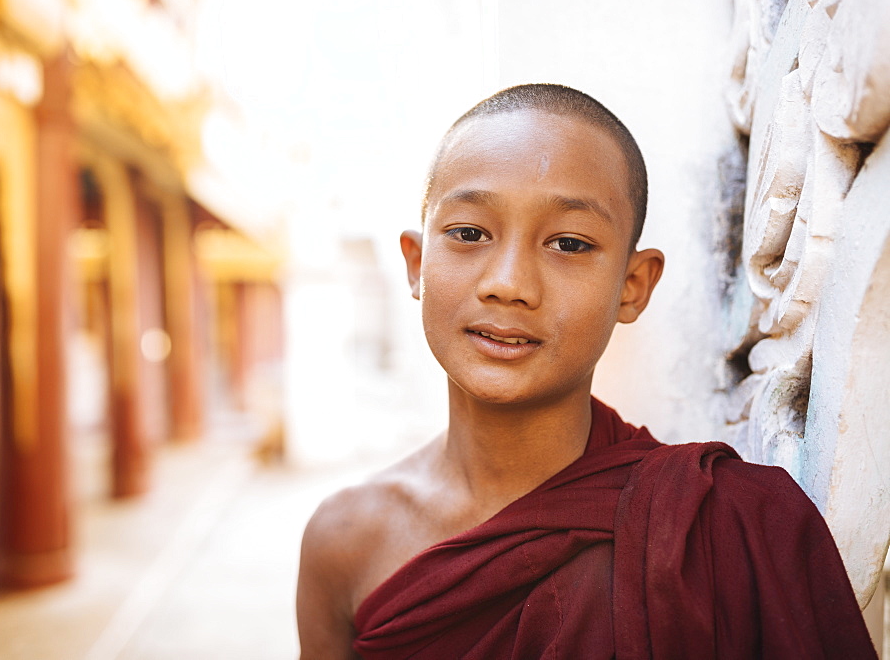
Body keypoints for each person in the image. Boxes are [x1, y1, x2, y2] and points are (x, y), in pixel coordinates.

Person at [296, 84, 876, 658]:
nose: (508, 284)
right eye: (470, 233)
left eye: (569, 243)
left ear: (632, 286)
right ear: (418, 265)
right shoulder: (345, 541)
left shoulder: (736, 527)